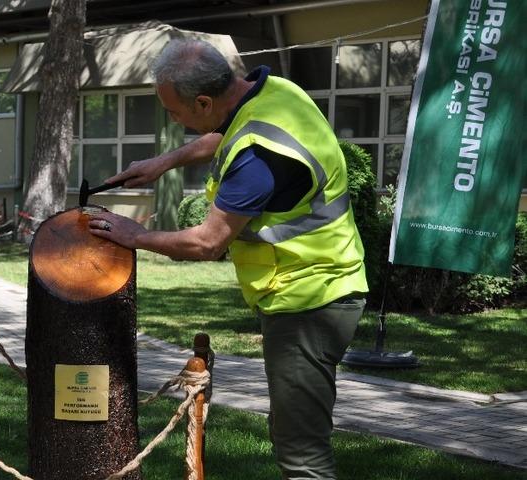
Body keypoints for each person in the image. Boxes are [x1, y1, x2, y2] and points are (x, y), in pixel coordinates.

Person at [89, 39, 368, 480]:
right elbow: (227, 133)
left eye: (176, 113)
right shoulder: (275, 93)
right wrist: (166, 161)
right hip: (323, 287)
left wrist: (136, 235)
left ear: (203, 100)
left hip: (309, 300)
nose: (174, 121)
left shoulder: (257, 159)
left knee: (302, 454)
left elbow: (207, 242)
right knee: (292, 430)